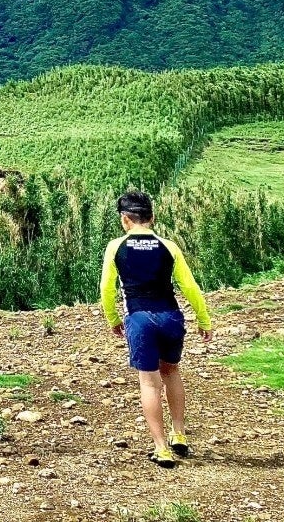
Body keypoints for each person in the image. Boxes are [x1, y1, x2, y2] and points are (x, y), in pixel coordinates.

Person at [99, 190, 214, 469]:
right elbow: (189, 286)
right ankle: (180, 434)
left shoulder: (116, 246)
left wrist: (113, 318)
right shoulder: (169, 246)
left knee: (149, 382)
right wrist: (204, 318)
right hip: (170, 317)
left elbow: (106, 288)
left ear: (125, 219)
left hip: (139, 318)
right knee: (171, 372)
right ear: (152, 217)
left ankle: (161, 449)